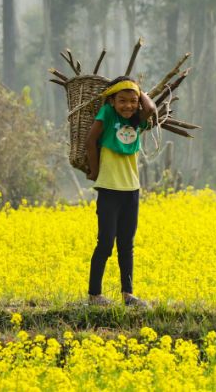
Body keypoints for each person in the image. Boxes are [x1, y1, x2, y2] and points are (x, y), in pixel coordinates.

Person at [85, 76, 157, 307]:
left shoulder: (137, 120)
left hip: (131, 190)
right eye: (122, 100)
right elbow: (90, 141)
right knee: (105, 243)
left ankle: (128, 294)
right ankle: (94, 295)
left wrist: (137, 90)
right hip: (109, 188)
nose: (128, 105)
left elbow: (151, 109)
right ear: (112, 101)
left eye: (133, 101)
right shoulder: (107, 114)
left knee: (126, 244)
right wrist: (95, 171)